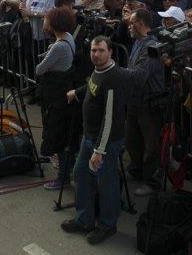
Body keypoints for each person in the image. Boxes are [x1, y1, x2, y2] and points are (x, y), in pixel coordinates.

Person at [61, 36, 128, 245]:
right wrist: (77, 92)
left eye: (101, 51)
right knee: (81, 174)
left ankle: (107, 225)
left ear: (110, 52)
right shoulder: (98, 70)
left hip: (105, 142)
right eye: (93, 50)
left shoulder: (113, 78)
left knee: (106, 183)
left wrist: (100, 150)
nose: (96, 54)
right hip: (89, 137)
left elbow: (110, 118)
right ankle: (84, 220)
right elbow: (92, 86)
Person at [124, 8, 166, 197]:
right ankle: (136, 169)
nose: (129, 26)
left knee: (151, 144)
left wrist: (117, 73)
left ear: (140, 23)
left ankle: (152, 181)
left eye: (131, 23)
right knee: (131, 137)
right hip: (135, 99)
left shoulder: (152, 47)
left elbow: (140, 75)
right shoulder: (137, 42)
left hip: (149, 102)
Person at [37, 7, 78, 191]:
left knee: (59, 136)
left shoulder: (59, 45)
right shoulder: (68, 37)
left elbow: (39, 69)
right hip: (64, 90)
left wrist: (49, 54)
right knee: (64, 134)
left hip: (57, 94)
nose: (44, 21)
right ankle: (68, 169)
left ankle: (63, 177)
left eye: (46, 19)